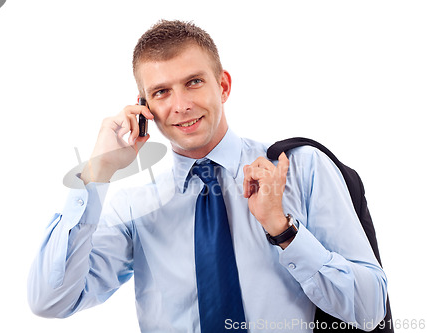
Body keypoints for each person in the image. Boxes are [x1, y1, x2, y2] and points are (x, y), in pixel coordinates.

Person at [28, 20, 388, 332]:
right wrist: (97, 172)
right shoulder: (135, 210)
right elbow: (50, 300)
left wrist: (282, 229)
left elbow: (370, 309)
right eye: (162, 92)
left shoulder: (300, 168)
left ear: (224, 85)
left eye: (194, 82)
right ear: (145, 107)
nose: (181, 104)